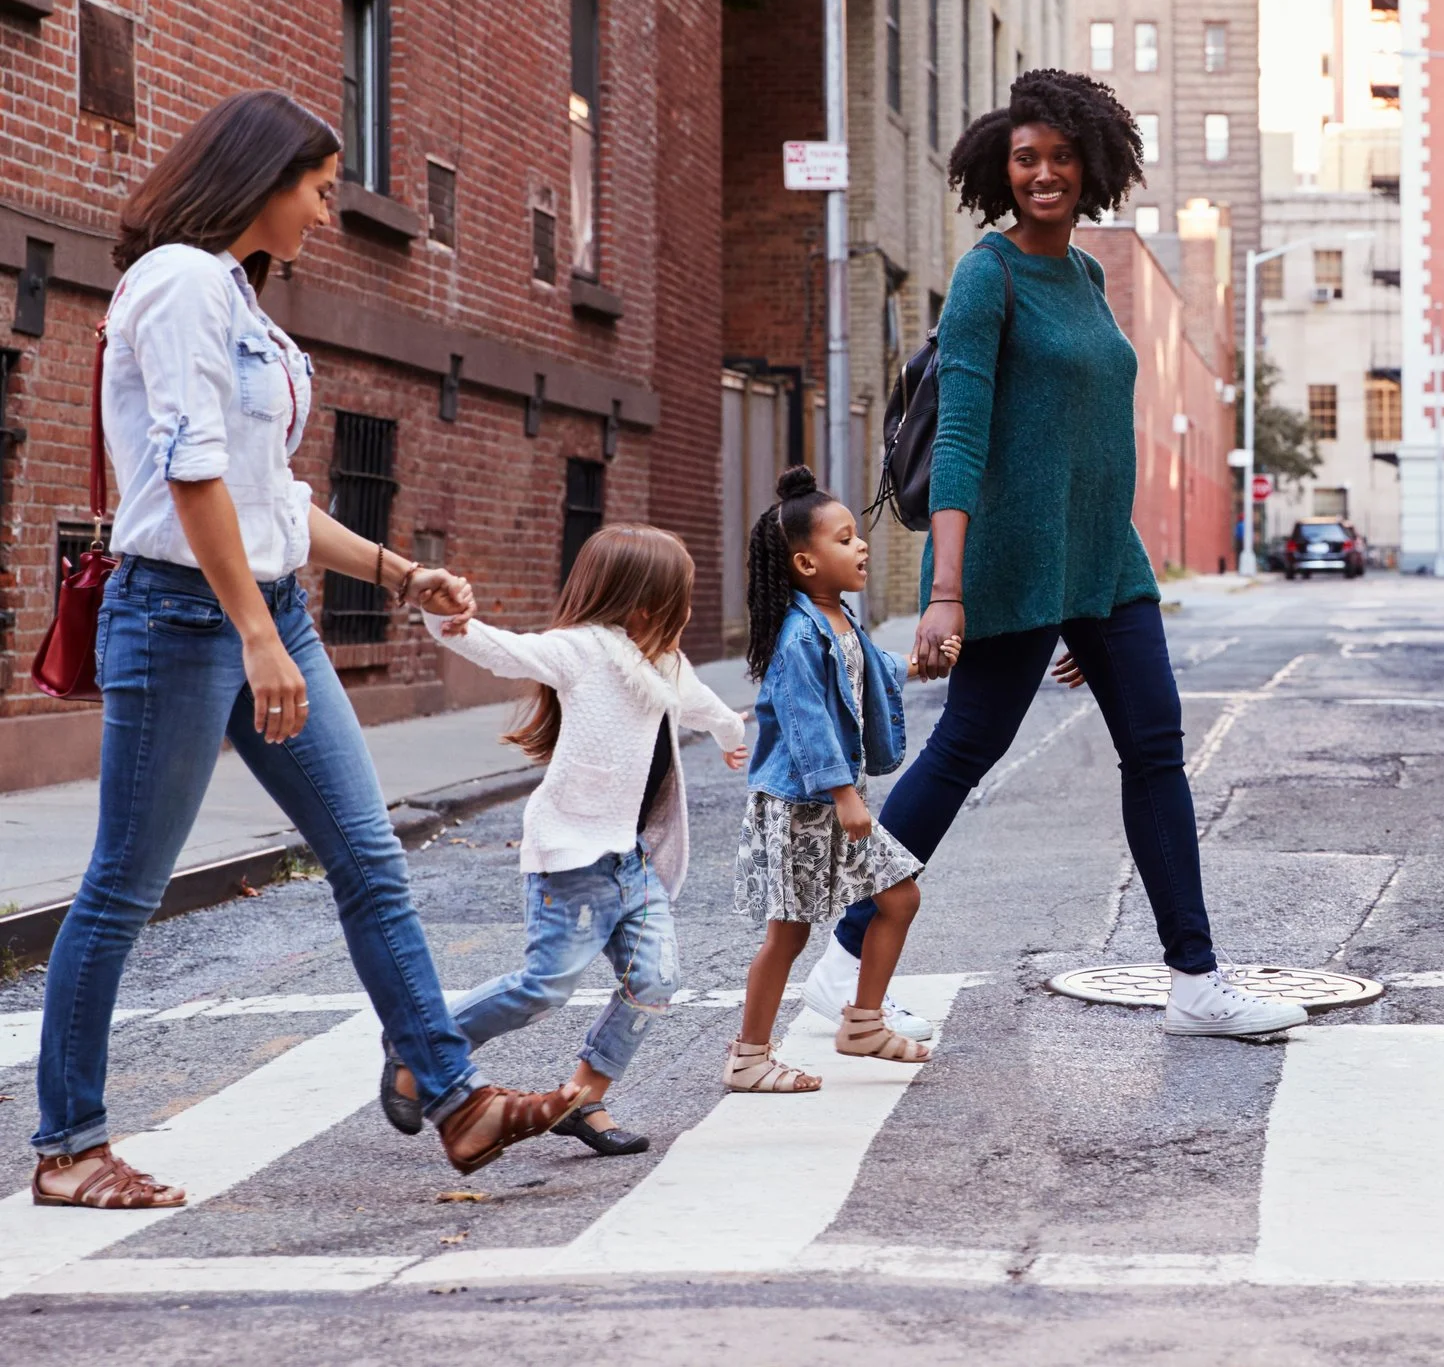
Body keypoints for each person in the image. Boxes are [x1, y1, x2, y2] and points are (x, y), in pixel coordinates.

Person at [33, 90, 576, 1209]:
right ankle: (68, 1147)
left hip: (260, 610)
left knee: (369, 856)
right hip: (188, 619)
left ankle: (457, 1096)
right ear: (263, 178)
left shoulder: (238, 298)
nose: (329, 212)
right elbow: (189, 476)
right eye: (322, 188)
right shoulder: (182, 281)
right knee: (125, 887)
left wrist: (395, 572)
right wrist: (251, 635)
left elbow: (267, 495)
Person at [803, 69, 1304, 1040]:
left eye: (1060, 157)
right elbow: (960, 440)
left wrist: (1087, 596)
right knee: (965, 748)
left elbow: (1087, 438)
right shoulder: (989, 275)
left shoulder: (1082, 274)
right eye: (1025, 158)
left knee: (1156, 745)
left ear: (1092, 165)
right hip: (1013, 563)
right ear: (1002, 168)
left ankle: (1195, 978)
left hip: (1103, 566)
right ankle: (844, 954)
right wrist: (944, 592)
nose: (1043, 173)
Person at [379, 524, 750, 1156]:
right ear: (644, 605)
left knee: (655, 982)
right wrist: (442, 619)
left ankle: (583, 1098)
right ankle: (422, 1048)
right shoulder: (582, 651)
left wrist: (726, 734)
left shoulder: (666, 663)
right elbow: (503, 651)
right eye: (681, 597)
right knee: (545, 987)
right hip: (572, 863)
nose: (688, 611)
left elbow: (700, 702)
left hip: (632, 865)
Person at [733, 469, 949, 1088]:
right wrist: (845, 795)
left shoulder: (842, 619)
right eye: (846, 538)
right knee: (789, 933)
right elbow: (805, 724)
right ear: (805, 561)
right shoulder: (798, 635)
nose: (861, 546)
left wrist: (914, 663)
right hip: (802, 804)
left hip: (832, 802)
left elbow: (867, 670)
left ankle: (863, 1021)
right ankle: (749, 1057)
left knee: (899, 896)